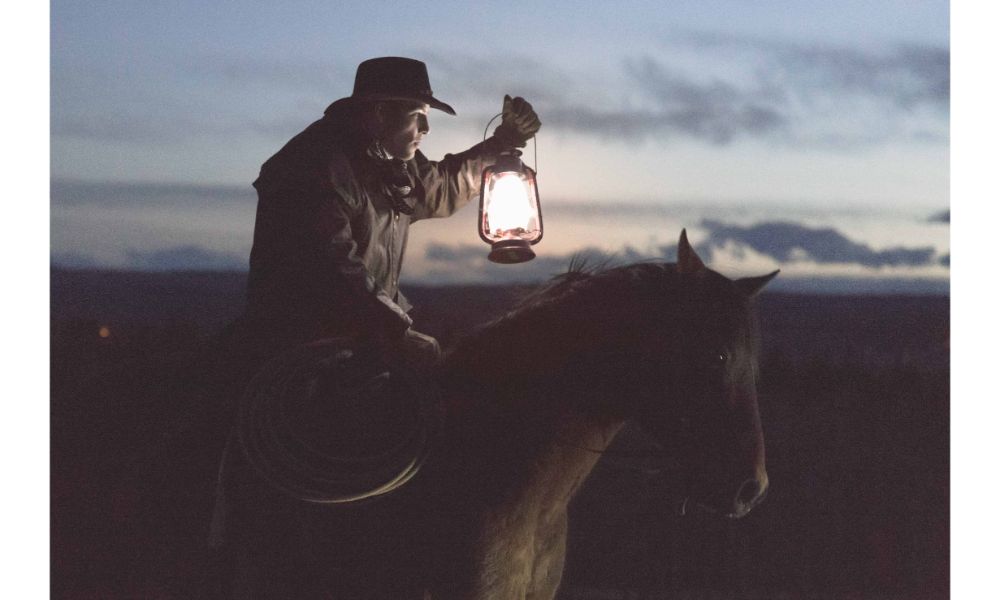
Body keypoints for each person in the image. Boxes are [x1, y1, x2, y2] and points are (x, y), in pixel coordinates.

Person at [242, 56, 541, 369]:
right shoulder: (316, 165)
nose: (426, 128)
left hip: (360, 333)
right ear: (381, 112)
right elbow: (330, 267)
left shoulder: (391, 164)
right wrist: (395, 331)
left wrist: (503, 142)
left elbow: (441, 187)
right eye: (418, 115)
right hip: (301, 343)